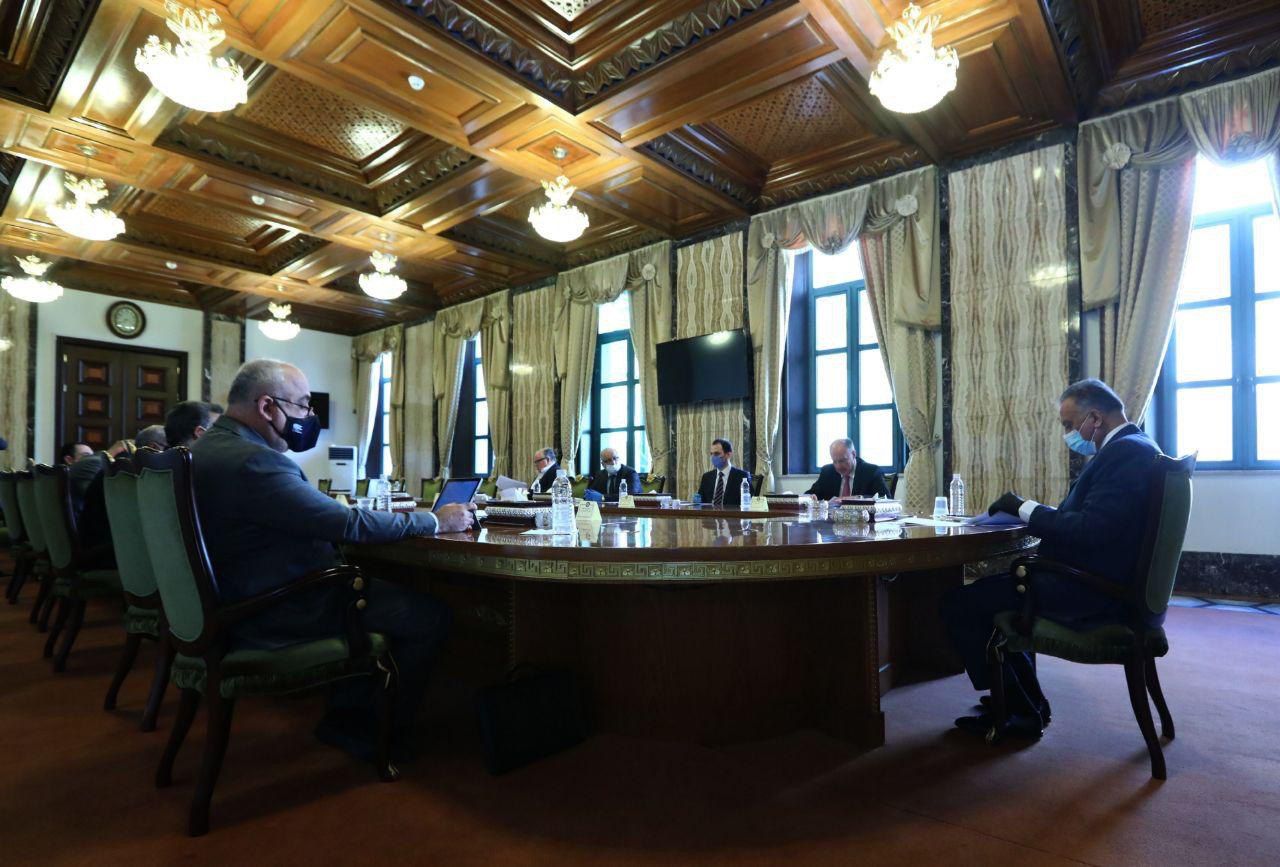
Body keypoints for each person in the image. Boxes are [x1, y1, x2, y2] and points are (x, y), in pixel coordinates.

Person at [189, 359, 475, 761]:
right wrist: (434, 521)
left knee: (374, 588)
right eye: (303, 405)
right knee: (430, 615)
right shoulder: (253, 460)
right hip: (276, 609)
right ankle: (367, 729)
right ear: (267, 407)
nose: (308, 416)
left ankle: (350, 711)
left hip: (227, 603)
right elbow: (346, 523)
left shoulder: (203, 451)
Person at [941, 378, 1162, 738]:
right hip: (1099, 579)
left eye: (1069, 424)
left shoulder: (1124, 454)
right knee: (992, 593)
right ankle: (1026, 702)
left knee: (961, 603)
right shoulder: (1137, 447)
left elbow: (1090, 530)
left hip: (1091, 590)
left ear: (1095, 418)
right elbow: (1095, 521)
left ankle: (1016, 711)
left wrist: (1022, 507)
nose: (1068, 434)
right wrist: (1030, 509)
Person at [806, 438, 889, 499]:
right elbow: (810, 494)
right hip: (832, 517)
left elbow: (885, 498)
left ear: (853, 454)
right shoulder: (827, 472)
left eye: (842, 461)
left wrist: (857, 498)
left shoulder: (871, 472)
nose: (838, 466)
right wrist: (810, 497)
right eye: (835, 461)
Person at [697, 438, 752, 507]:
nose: (713, 457)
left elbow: (749, 503)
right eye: (711, 454)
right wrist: (696, 501)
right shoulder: (707, 477)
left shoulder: (742, 476)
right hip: (710, 513)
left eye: (716, 454)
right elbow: (701, 502)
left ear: (728, 454)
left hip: (732, 513)